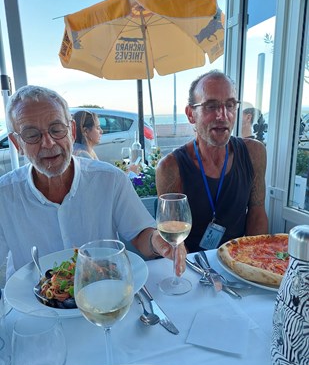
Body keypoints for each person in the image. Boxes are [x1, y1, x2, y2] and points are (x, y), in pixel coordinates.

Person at [0, 85, 186, 279]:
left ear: (71, 131)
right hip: (30, 303)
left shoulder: (110, 179)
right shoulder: (4, 195)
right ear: (17, 144)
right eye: (32, 135)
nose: (48, 142)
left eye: (56, 129)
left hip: (103, 299)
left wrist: (157, 240)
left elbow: (140, 235)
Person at [156, 71, 268, 253]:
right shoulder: (171, 167)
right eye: (211, 106)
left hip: (239, 262)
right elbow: (172, 238)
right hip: (193, 266)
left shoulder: (254, 152)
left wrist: (255, 263)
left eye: (230, 105)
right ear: (191, 114)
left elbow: (257, 213)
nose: (223, 115)